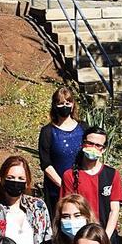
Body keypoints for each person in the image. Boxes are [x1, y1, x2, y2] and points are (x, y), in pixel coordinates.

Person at [61, 127, 122, 244]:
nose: (93, 148)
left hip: (107, 236)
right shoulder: (70, 175)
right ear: (82, 144)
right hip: (81, 237)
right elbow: (67, 209)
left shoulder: (112, 174)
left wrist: (105, 237)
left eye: (98, 145)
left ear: (103, 149)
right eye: (89, 143)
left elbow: (114, 210)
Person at [37, 86, 86, 217]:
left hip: (82, 187)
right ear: (54, 105)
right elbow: (46, 164)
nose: (64, 106)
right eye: (60, 103)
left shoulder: (84, 128)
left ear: (73, 104)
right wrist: (64, 186)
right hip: (56, 189)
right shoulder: (47, 132)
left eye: (67, 102)